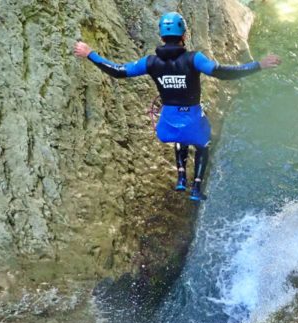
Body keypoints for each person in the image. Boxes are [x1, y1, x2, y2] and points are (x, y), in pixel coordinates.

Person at [74, 12, 281, 201]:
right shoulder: (194, 59)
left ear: (161, 37)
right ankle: (196, 189)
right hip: (192, 120)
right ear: (183, 35)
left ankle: (181, 177)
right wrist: (257, 65)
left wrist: (90, 53)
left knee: (178, 133)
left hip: (167, 127)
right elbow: (221, 72)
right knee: (203, 143)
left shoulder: (150, 62)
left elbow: (118, 71)